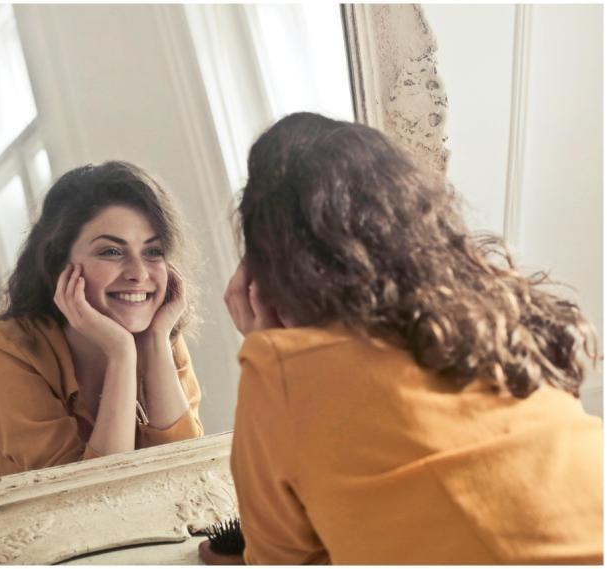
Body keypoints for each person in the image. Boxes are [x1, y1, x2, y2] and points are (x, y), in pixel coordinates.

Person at [219, 112, 602, 564]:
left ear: (267, 274)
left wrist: (263, 344)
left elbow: (280, 561)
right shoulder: (499, 316)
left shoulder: (283, 371)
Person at [0, 161, 204, 480]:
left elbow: (189, 476)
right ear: (58, 265)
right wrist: (121, 354)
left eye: (153, 251)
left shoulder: (161, 337)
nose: (139, 273)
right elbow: (83, 498)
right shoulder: (0, 350)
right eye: (110, 252)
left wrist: (156, 343)